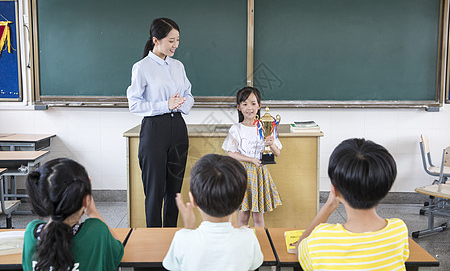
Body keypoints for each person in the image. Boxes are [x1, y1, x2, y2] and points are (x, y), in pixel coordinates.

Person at [295, 138, 409, 271]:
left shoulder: (321, 239)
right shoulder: (398, 231)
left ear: (334, 189)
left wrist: (330, 205)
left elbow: (299, 249)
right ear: (387, 187)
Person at [127, 17, 194, 227]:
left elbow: (190, 95)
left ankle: (171, 234)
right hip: (154, 130)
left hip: (178, 130)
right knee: (155, 190)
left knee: (174, 191)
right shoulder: (142, 67)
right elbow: (134, 104)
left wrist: (182, 103)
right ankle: (154, 238)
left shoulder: (178, 66)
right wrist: (167, 104)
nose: (175, 45)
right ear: (156, 40)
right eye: (171, 40)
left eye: (178, 40)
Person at [162, 154, 263, 271]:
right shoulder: (249, 238)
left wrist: (188, 229)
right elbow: (253, 265)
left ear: (193, 200)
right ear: (241, 201)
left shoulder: (181, 239)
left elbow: (173, 267)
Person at [22, 158, 124, 271]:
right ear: (86, 199)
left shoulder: (31, 233)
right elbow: (118, 251)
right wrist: (93, 212)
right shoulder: (96, 232)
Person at [222, 86, 282, 227]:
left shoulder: (265, 125)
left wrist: (271, 143)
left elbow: (277, 152)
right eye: (245, 104)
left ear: (259, 106)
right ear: (238, 107)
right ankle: (242, 244)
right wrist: (251, 160)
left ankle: (259, 244)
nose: (249, 108)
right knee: (243, 215)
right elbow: (231, 153)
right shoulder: (236, 129)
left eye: (253, 103)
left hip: (259, 173)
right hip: (242, 173)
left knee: (258, 216)